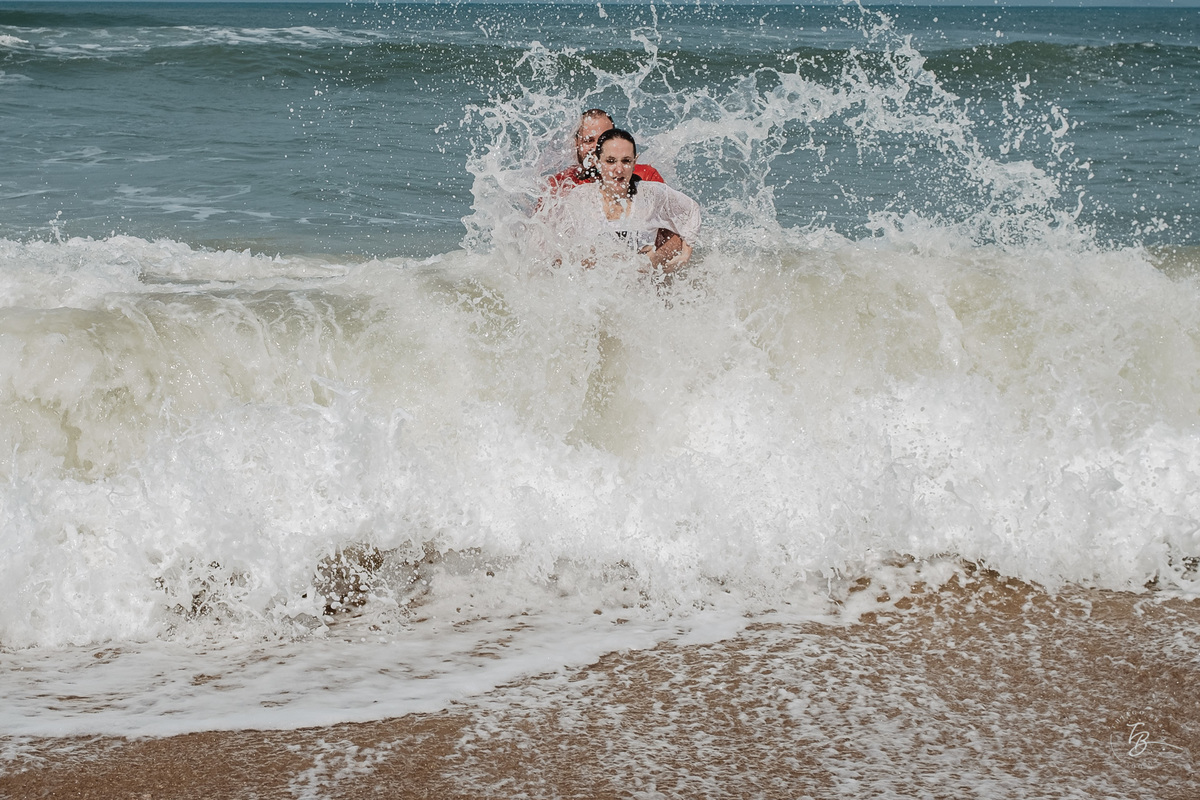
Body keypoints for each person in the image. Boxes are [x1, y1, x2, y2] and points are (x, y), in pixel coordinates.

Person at [548, 128, 699, 273]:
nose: (619, 169)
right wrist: (584, 262)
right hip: (595, 291)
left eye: (626, 161)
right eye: (611, 161)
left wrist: (681, 255)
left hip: (643, 292)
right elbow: (557, 251)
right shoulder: (580, 199)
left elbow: (690, 210)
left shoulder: (651, 194)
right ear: (598, 162)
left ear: (634, 162)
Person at [547, 109, 666, 194]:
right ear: (576, 144)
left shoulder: (646, 177)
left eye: (604, 139)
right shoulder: (559, 185)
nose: (597, 147)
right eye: (589, 141)